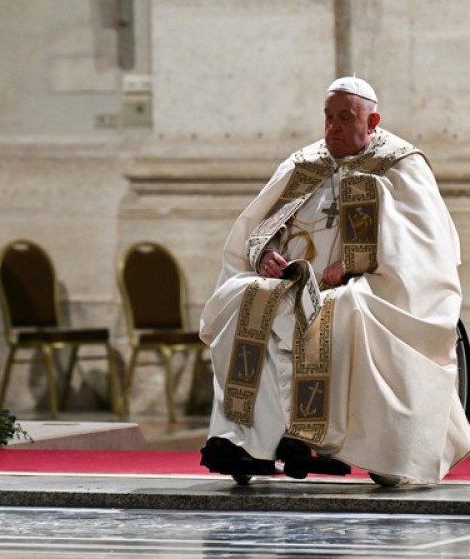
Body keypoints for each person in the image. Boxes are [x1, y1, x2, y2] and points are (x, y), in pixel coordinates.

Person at [199, 76, 470, 485]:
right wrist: (265, 254)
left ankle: (313, 438)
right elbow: (259, 226)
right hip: (290, 283)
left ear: (372, 120)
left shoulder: (401, 164)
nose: (333, 128)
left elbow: (425, 247)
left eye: (345, 118)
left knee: (342, 309)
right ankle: (243, 441)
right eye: (328, 117)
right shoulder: (304, 163)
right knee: (244, 296)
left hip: (368, 286)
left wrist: (355, 263)